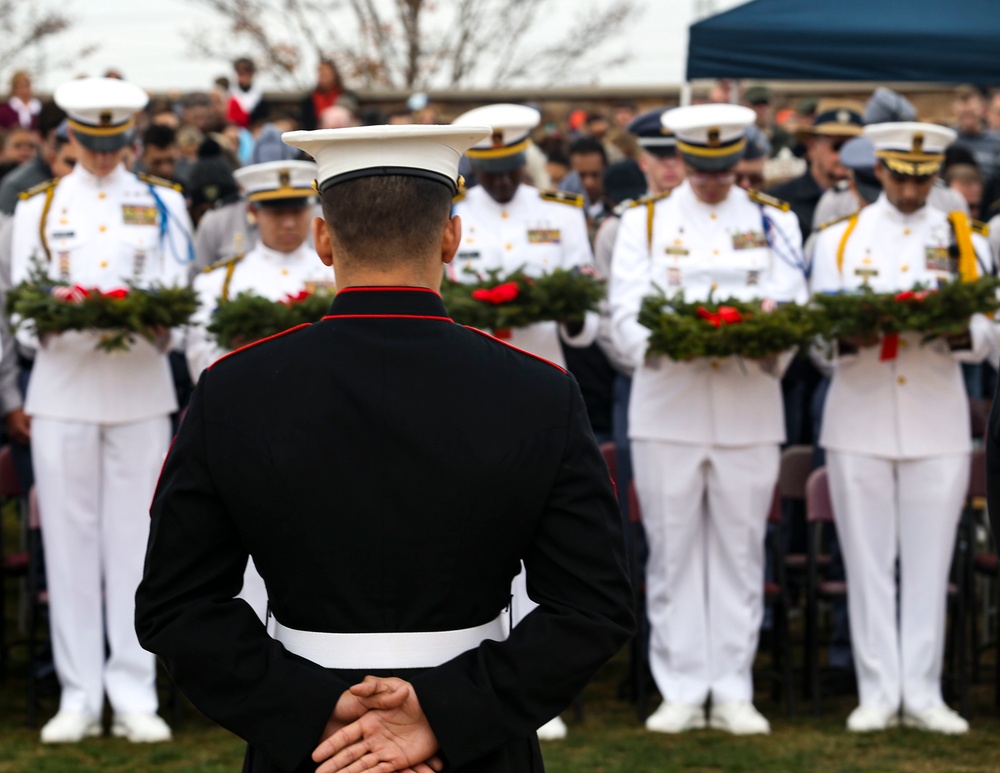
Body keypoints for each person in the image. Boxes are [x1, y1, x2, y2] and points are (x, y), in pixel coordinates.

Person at [135, 123, 634, 773]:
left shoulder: (234, 388)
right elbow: (594, 605)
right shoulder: (538, 390)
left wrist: (315, 708)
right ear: (452, 236)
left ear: (321, 238)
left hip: (313, 748)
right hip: (478, 743)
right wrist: (449, 711)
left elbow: (178, 605)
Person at [610, 103, 807, 736]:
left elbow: (793, 305)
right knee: (672, 553)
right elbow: (623, 314)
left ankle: (733, 687)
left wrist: (764, 336)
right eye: (702, 167)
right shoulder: (644, 223)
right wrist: (672, 339)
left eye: (723, 167)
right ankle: (682, 686)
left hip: (748, 409)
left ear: (738, 161)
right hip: (669, 406)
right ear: (683, 160)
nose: (713, 180)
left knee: (741, 553)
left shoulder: (773, 221)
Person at [9, 76, 193, 745]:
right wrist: (49, 322)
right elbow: (21, 306)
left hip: (140, 388)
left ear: (130, 139)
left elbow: (182, 295)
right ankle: (80, 694)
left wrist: (155, 320)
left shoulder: (164, 201)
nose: (104, 155)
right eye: (92, 142)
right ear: (72, 138)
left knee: (137, 549)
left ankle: (134, 688)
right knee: (69, 547)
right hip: (63, 391)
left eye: (115, 143)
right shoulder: (39, 205)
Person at [810, 121, 993, 735]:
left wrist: (960, 333)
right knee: (866, 562)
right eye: (900, 175)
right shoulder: (839, 238)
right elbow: (815, 335)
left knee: (929, 562)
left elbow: (990, 329)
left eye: (922, 178)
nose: (911, 189)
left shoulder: (964, 237)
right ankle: (877, 688)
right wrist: (843, 336)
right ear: (879, 171)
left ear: (934, 175)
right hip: (859, 414)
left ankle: (924, 690)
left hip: (935, 418)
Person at [449, 103, 598, 369]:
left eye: (511, 170)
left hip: (543, 363)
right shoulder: (452, 212)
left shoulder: (561, 213)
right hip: (471, 364)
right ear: (474, 168)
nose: (503, 181)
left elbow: (586, 289)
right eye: (492, 173)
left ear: (524, 163)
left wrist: (576, 318)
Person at [186, 159, 331, 378]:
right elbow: (200, 360)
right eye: (277, 213)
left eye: (297, 211)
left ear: (311, 209)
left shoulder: (335, 273)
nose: (289, 223)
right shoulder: (219, 282)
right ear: (253, 211)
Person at [767, 101, 864, 240]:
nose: (846, 156)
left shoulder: (870, 199)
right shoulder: (780, 199)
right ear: (812, 147)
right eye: (838, 146)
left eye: (855, 147)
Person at [300, 59, 344, 131]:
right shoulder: (309, 101)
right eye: (320, 71)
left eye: (326, 71)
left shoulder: (345, 96)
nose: (323, 74)